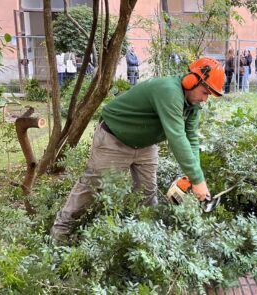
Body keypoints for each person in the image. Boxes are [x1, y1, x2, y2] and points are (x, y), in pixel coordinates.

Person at [50, 57, 225, 242]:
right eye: (205, 92)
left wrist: (196, 176)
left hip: (145, 144)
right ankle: (60, 232)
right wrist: (197, 179)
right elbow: (177, 137)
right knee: (93, 186)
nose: (205, 99)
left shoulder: (193, 105)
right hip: (114, 138)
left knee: (147, 192)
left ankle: (146, 239)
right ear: (192, 80)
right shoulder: (169, 91)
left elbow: (192, 139)